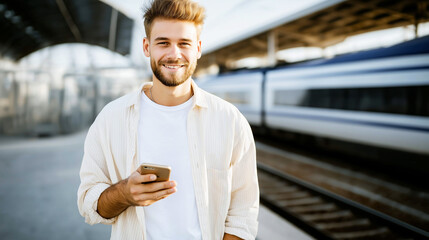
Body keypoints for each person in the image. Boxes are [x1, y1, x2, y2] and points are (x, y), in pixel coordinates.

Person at [77, 0, 259, 239]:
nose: (174, 54)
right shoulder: (110, 119)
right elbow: (88, 205)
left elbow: (243, 216)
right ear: (146, 46)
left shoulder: (230, 121)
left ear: (198, 48)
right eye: (163, 43)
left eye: (184, 43)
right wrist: (124, 194)